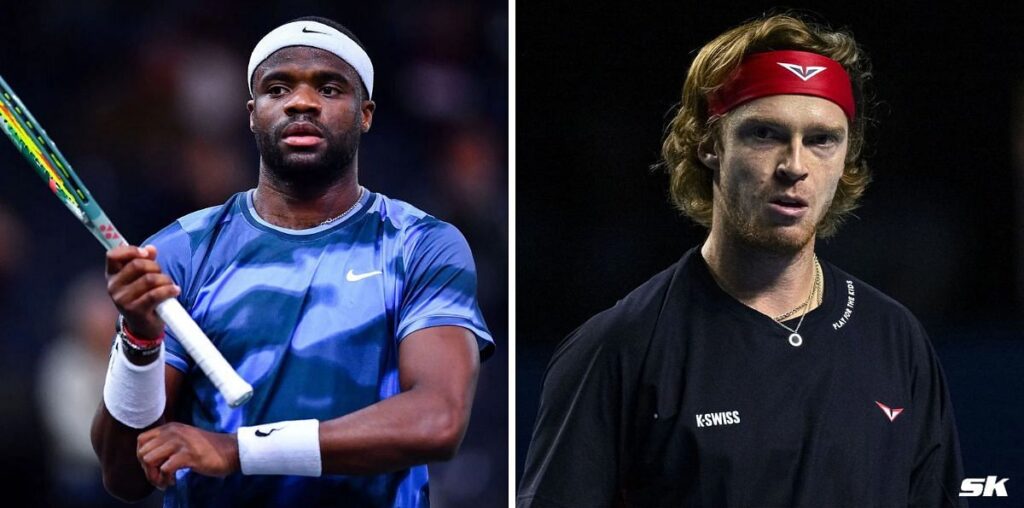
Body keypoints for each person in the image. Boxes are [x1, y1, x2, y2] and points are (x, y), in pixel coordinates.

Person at [518, 13, 964, 508]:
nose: (795, 166)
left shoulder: (897, 340)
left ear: (846, 156)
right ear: (709, 143)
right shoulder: (619, 348)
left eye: (822, 140)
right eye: (765, 134)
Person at [91, 16, 493, 508]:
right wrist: (139, 340)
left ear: (365, 114)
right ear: (252, 114)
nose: (302, 102)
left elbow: (438, 421)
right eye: (278, 89)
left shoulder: (422, 244)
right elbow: (126, 474)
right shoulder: (178, 250)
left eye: (329, 88)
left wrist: (239, 450)